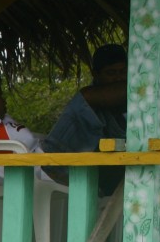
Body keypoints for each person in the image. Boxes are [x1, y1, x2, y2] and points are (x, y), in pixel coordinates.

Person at [41, 44, 127, 194]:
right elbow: (118, 92)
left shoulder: (121, 104)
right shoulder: (88, 97)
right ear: (96, 75)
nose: (118, 77)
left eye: (122, 72)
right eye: (111, 73)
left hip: (94, 173)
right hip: (64, 175)